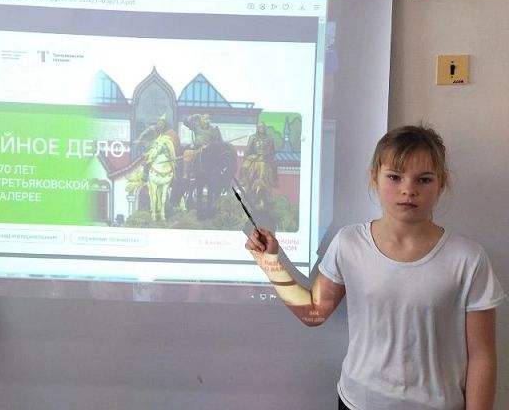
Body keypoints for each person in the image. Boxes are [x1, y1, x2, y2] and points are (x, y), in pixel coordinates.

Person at [245, 125, 505, 410]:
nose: (408, 190)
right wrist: (271, 262)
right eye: (394, 177)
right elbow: (314, 312)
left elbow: (482, 356)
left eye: (423, 179)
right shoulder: (349, 243)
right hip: (359, 402)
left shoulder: (468, 258)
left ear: (441, 184)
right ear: (374, 177)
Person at [240, 122, 278, 191]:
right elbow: (248, 148)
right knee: (244, 166)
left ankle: (274, 180)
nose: (261, 129)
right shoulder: (252, 137)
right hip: (254, 156)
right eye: (260, 127)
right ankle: (244, 179)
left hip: (266, 156)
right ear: (257, 128)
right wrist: (246, 156)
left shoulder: (270, 138)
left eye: (263, 127)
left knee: (274, 165)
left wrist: (265, 154)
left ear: (265, 128)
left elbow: (272, 149)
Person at [182, 114, 222, 179]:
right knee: (187, 153)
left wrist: (208, 145)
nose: (206, 121)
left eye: (207, 119)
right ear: (201, 120)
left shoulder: (212, 129)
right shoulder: (196, 126)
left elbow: (216, 141)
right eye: (204, 119)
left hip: (208, 150)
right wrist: (191, 117)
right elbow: (186, 123)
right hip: (196, 149)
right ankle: (186, 174)